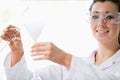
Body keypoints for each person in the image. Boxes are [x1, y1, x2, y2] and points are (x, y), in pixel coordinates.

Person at [1, 0, 120, 80]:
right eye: (95, 16)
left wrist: (65, 59)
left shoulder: (71, 63)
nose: (100, 24)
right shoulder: (73, 65)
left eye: (109, 17)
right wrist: (17, 53)